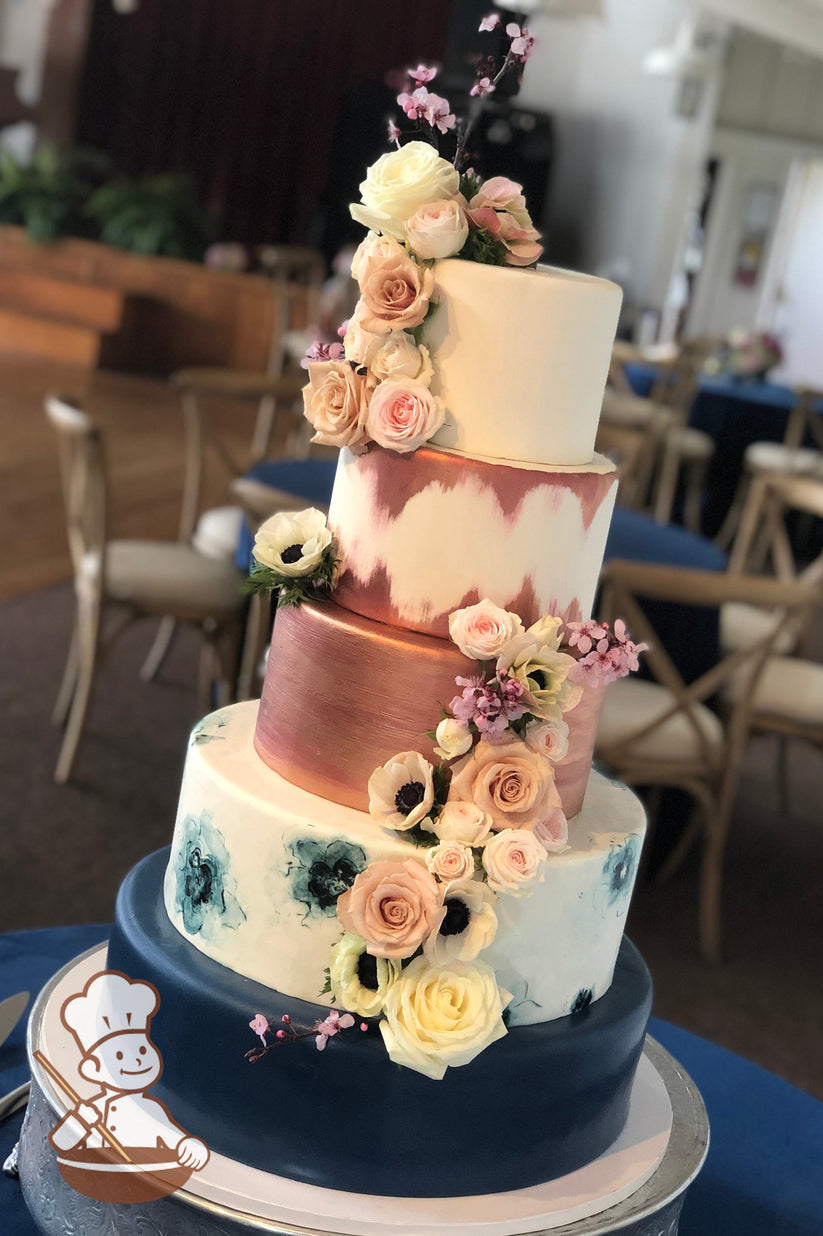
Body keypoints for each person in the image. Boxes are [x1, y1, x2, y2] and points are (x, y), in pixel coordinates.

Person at [48, 970, 209, 1170]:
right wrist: (80, 1118)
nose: (137, 1061)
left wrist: (189, 1147)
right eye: (120, 1055)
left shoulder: (153, 1110)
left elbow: (176, 1140)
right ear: (93, 1069)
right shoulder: (94, 1109)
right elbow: (60, 1142)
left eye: (142, 1050)